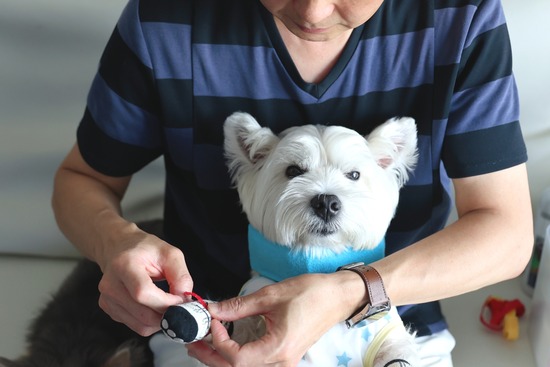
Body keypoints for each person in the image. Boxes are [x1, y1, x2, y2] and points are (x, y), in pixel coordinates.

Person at [51, 0, 533, 366]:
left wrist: (353, 292)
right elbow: (82, 180)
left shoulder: (462, 16)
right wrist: (114, 242)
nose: (313, 12)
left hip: (397, 322)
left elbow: (507, 235)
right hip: (212, 330)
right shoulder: (164, 18)